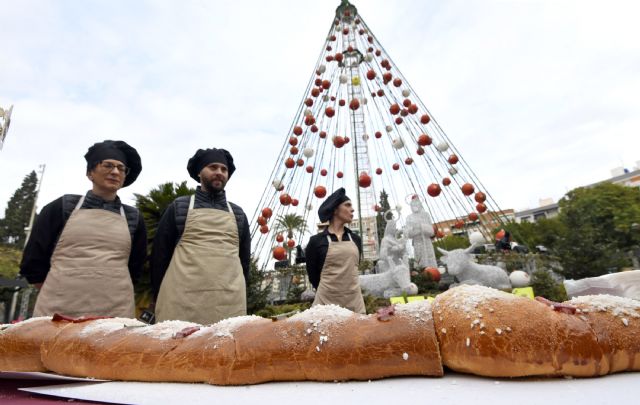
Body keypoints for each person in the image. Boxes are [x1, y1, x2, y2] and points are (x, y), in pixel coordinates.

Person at [20, 140, 146, 318]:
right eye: (108, 165)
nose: (115, 172)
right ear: (90, 173)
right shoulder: (62, 207)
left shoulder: (134, 218)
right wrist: (59, 288)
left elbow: (136, 267)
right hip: (58, 308)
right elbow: (33, 259)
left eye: (121, 168)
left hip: (114, 311)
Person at [151, 147, 250, 325]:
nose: (219, 172)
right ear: (199, 172)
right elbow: (160, 256)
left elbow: (244, 262)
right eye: (213, 167)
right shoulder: (179, 207)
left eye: (224, 169)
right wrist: (158, 294)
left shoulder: (238, 214)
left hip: (228, 303)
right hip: (180, 302)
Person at [304, 188, 366, 313]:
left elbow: (354, 269)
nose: (352, 209)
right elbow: (313, 277)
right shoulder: (316, 241)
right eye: (347, 205)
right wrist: (331, 291)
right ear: (335, 210)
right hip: (325, 306)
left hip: (354, 304)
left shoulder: (356, 239)